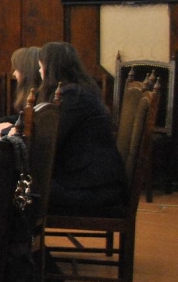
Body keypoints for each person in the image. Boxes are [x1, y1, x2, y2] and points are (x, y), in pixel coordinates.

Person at [37, 42, 126, 213]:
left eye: (41, 66)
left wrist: (14, 135)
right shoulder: (79, 91)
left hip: (93, 190)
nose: (39, 71)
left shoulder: (73, 97)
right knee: (19, 188)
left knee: (15, 190)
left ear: (51, 68)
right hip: (93, 183)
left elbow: (47, 140)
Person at [0, 46, 42, 135]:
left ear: (28, 72)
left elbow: (33, 129)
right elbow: (20, 118)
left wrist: (7, 128)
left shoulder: (42, 96)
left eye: (17, 69)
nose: (14, 73)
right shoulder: (30, 92)